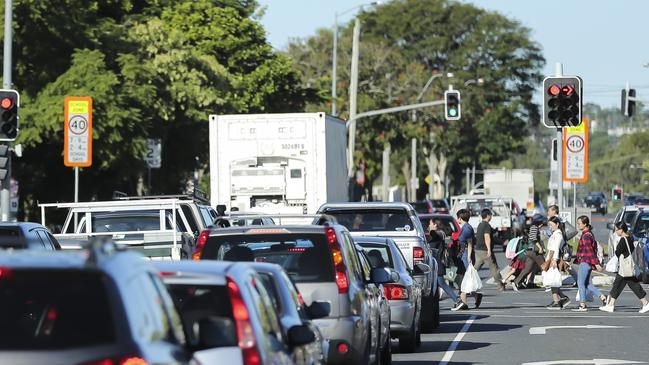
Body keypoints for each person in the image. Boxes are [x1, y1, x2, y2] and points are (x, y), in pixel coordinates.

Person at [599, 222, 649, 313]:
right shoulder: (630, 238)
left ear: (621, 230)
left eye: (616, 229)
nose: (615, 231)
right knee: (621, 284)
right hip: (626, 267)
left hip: (625, 266)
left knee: (626, 284)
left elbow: (618, 252)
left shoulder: (623, 239)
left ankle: (645, 303)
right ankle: (610, 305)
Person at [572, 216, 607, 311]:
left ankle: (582, 304)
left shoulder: (586, 235)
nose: (578, 225)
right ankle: (603, 297)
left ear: (585, 224)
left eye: (579, 223)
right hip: (587, 262)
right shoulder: (589, 234)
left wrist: (596, 263)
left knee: (580, 283)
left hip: (586, 261)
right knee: (587, 284)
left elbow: (590, 251)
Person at [451, 209, 482, 311]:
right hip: (463, 256)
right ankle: (476, 296)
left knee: (464, 279)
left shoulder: (467, 228)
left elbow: (470, 243)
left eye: (457, 218)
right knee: (464, 279)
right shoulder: (464, 228)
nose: (457, 219)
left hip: (465, 257)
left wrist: (468, 257)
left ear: (460, 218)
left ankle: (463, 303)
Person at [427, 223, 461, 307]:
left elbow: (433, 234)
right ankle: (457, 300)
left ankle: (457, 300)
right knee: (439, 284)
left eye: (431, 223)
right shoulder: (435, 237)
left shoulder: (438, 235)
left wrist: (429, 231)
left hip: (437, 265)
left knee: (442, 283)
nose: (429, 225)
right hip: (434, 265)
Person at [512, 214, 547, 291]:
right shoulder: (534, 228)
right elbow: (533, 238)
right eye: (541, 223)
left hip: (529, 251)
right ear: (539, 222)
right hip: (534, 251)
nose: (542, 225)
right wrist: (540, 247)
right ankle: (548, 284)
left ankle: (516, 282)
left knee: (528, 268)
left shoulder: (532, 227)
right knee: (544, 266)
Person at [473, 209, 506, 291]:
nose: (491, 217)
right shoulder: (487, 225)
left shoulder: (480, 224)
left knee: (476, 267)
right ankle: (500, 284)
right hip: (485, 250)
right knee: (493, 267)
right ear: (488, 216)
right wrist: (489, 250)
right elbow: (487, 237)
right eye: (490, 215)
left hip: (478, 249)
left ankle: (467, 280)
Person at [546, 205, 579, 285]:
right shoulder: (559, 219)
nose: (548, 212)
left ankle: (555, 282)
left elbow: (555, 233)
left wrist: (562, 239)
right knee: (564, 264)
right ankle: (577, 280)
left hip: (558, 245)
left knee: (563, 264)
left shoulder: (557, 219)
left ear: (554, 211)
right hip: (560, 244)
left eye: (549, 211)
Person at [545, 216, 571, 310]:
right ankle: (562, 298)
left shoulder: (558, 234)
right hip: (551, 258)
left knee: (553, 281)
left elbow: (556, 248)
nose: (550, 227)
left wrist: (554, 260)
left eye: (551, 225)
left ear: (557, 224)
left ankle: (557, 301)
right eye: (549, 225)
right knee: (552, 281)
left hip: (554, 259)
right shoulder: (555, 233)